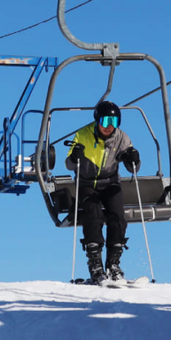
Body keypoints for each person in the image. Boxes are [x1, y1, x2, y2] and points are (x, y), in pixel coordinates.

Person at [66, 100, 141, 284]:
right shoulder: (83, 134)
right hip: (86, 183)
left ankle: (113, 264)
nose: (109, 127)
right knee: (92, 214)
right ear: (97, 120)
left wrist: (133, 159)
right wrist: (75, 156)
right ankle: (95, 263)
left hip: (110, 183)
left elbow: (134, 168)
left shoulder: (122, 138)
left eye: (114, 122)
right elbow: (68, 164)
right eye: (106, 121)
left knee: (117, 216)